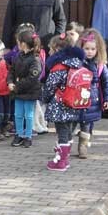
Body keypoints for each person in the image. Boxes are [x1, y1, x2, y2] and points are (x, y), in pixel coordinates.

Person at [42, 33, 88, 171]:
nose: (49, 52)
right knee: (68, 131)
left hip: (60, 105)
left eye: (50, 49)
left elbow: (50, 85)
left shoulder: (59, 67)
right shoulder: (78, 64)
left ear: (56, 49)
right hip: (74, 103)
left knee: (62, 131)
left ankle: (61, 162)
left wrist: (45, 98)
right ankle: (64, 158)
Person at [74, 29, 108, 159]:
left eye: (92, 49)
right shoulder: (76, 63)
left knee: (87, 124)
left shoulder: (100, 65)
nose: (89, 52)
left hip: (92, 101)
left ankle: (83, 146)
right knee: (71, 123)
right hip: (76, 99)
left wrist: (107, 98)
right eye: (86, 49)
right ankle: (64, 145)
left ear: (98, 50)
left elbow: (106, 83)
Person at [8, 29, 43, 148]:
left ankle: (28, 136)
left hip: (29, 92)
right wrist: (10, 82)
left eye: (18, 42)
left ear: (23, 44)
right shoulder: (18, 56)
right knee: (18, 114)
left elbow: (32, 78)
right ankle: (19, 134)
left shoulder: (35, 59)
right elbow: (11, 71)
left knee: (28, 115)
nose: (17, 45)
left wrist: (16, 86)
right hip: (18, 91)